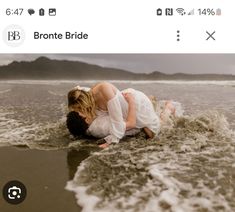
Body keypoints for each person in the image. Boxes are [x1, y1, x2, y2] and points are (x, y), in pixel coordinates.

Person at [67, 82, 160, 147]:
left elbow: (117, 122)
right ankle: (151, 100)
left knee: (151, 134)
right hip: (123, 102)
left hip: (136, 105)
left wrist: (110, 141)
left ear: (84, 101)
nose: (80, 111)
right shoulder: (85, 95)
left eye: (79, 108)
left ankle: (167, 108)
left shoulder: (104, 90)